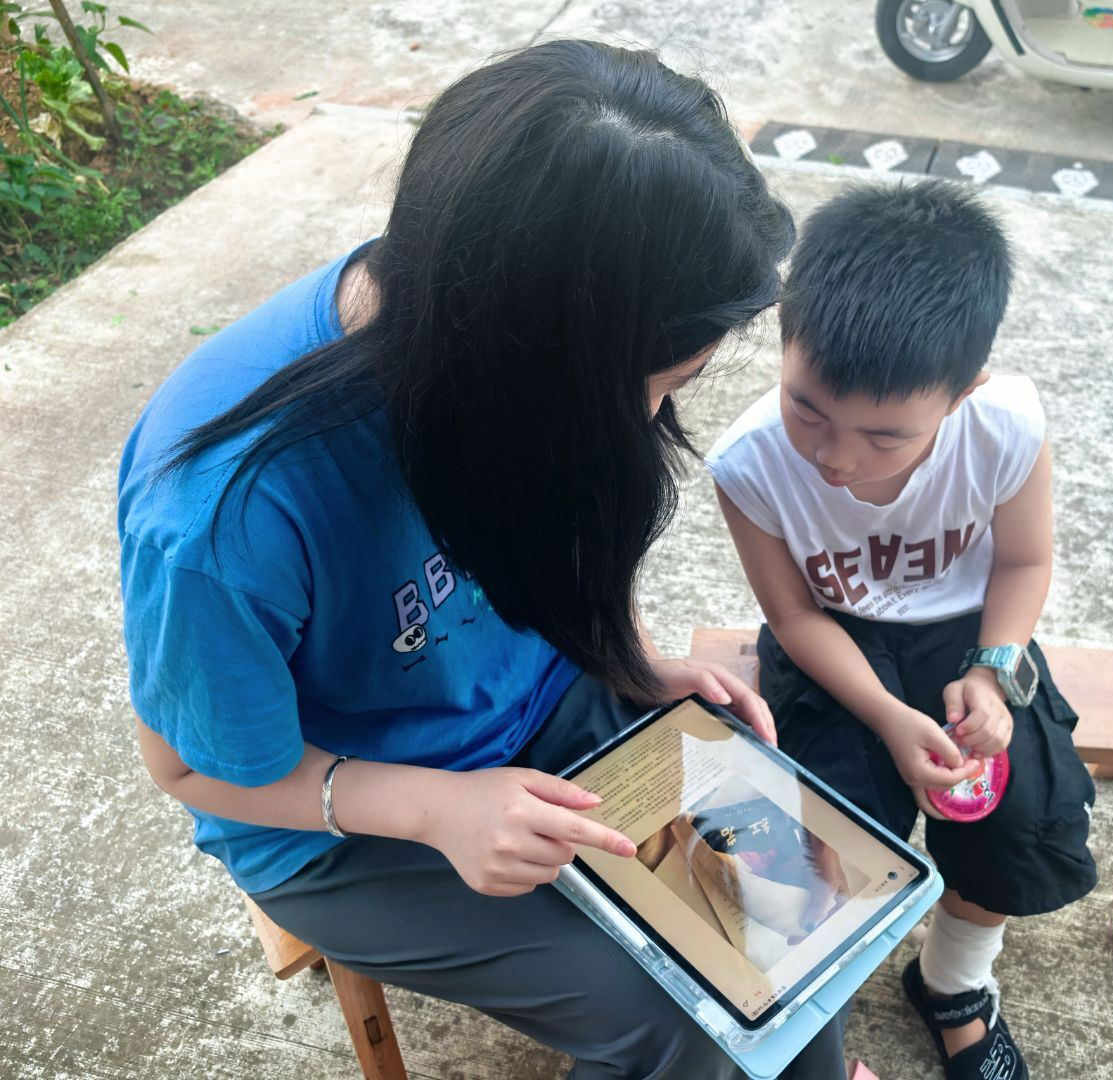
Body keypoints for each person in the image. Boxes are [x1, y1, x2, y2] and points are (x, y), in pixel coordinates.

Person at [116, 39, 858, 1079]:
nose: (653, 419)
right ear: (531, 359)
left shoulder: (509, 320)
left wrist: (628, 662)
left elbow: (568, 538)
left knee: (800, 921)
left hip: (551, 714)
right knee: (687, 1025)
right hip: (344, 823)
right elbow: (187, 767)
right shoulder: (221, 514)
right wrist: (438, 809)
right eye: (651, 384)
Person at [706, 181, 1097, 1080]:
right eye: (807, 407)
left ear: (963, 392)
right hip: (833, 646)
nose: (834, 456)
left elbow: (1023, 564)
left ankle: (954, 982)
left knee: (1017, 817)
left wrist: (992, 671)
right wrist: (885, 714)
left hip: (968, 636)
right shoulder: (751, 462)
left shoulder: (1004, 428)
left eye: (885, 437)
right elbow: (794, 613)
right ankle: (814, 1020)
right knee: (822, 840)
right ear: (786, 340)